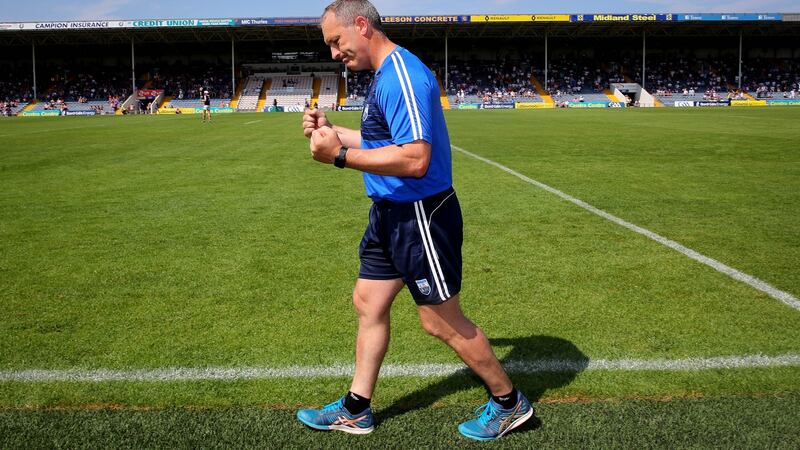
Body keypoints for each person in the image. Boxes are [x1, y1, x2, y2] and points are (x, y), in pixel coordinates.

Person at [296, 0, 533, 441]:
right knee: (368, 302)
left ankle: (509, 402)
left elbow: (415, 158)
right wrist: (334, 132)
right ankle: (356, 408)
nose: (333, 54)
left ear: (361, 26)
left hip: (421, 214)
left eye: (336, 41)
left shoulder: (402, 75)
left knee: (440, 321)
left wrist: (339, 157)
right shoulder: (386, 76)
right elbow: (383, 139)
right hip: (389, 213)